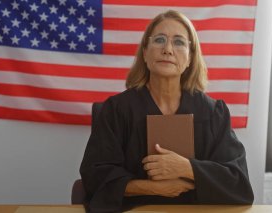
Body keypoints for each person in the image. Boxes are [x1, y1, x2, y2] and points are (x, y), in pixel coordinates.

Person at [80, 10, 254, 212]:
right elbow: (95, 177)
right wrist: (153, 188)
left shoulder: (213, 113)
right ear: (145, 52)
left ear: (190, 58)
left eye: (179, 42)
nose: (168, 49)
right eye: (159, 40)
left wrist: (187, 168)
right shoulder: (117, 110)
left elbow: (238, 182)